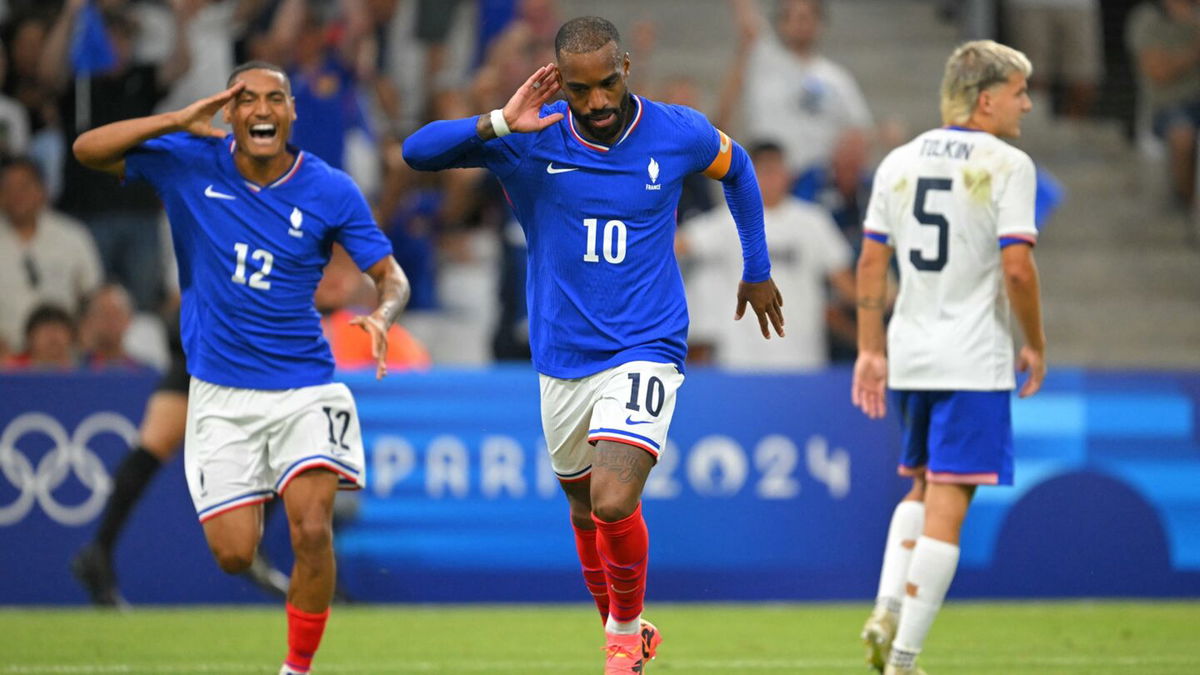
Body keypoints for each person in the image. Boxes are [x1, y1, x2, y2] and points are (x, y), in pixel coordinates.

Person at [403, 16, 784, 674]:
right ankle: (626, 630)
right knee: (584, 509)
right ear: (560, 86)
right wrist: (497, 120)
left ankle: (622, 640)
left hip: (646, 344)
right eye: (582, 92)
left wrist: (757, 267)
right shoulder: (529, 139)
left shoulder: (677, 130)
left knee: (612, 497)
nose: (599, 102)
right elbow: (417, 151)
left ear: (627, 68)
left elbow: (739, 168)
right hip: (562, 358)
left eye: (608, 84)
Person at [72, 60, 410, 675]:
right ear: (228, 111)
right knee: (233, 555)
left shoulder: (330, 187)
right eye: (246, 99)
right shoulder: (185, 161)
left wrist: (385, 313)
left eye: (274, 99)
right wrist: (176, 118)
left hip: (305, 385)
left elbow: (390, 275)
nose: (261, 109)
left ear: (291, 111)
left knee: (312, 530)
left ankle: (297, 668)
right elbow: (86, 150)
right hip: (221, 394)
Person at [851, 40, 1046, 675]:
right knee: (950, 500)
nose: (1026, 103)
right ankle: (904, 657)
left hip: (910, 350)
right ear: (986, 98)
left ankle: (885, 606)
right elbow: (1017, 268)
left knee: (920, 483)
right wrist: (1036, 342)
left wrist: (869, 350)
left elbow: (871, 264)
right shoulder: (1008, 163)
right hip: (971, 358)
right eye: (1019, 91)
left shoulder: (898, 162)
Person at [70, 309, 291, 609]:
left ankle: (100, 550)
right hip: (231, 337)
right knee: (282, 430)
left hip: (209, 333)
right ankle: (255, 549)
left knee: (153, 445)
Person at [680, 141, 854, 370]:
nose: (771, 179)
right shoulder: (728, 220)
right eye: (764, 171)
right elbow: (678, 243)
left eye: (777, 170)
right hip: (742, 361)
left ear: (788, 174)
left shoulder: (813, 222)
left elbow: (845, 282)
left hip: (804, 360)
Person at [0, 156, 102, 357]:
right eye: (8, 188)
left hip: (66, 355)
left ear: (42, 190)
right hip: (5, 358)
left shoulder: (72, 236)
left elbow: (94, 296)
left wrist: (83, 341)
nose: (16, 195)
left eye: (24, 187)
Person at [1127, 0, 1200, 208]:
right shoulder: (1148, 17)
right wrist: (1194, 52)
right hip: (1168, 104)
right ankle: (1185, 207)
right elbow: (1157, 71)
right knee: (1182, 134)